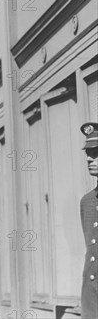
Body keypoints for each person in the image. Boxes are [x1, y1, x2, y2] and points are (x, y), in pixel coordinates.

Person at [80, 122, 98, 319]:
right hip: (91, 295)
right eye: (87, 153)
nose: (89, 158)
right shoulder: (87, 201)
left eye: (96, 153)